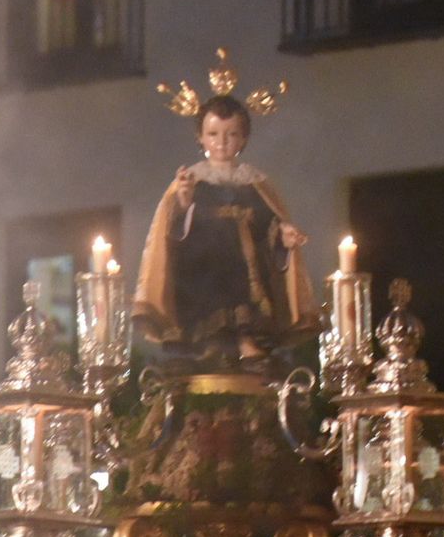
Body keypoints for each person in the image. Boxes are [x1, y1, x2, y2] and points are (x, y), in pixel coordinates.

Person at [133, 94, 319, 366]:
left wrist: (284, 236)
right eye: (213, 133)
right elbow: (169, 234)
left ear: (243, 138)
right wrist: (184, 203)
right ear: (200, 137)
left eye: (231, 134)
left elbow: (270, 223)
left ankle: (246, 340)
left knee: (241, 285)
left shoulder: (256, 182)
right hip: (202, 266)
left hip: (246, 268)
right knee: (214, 280)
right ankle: (211, 342)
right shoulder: (190, 180)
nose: (221, 142)